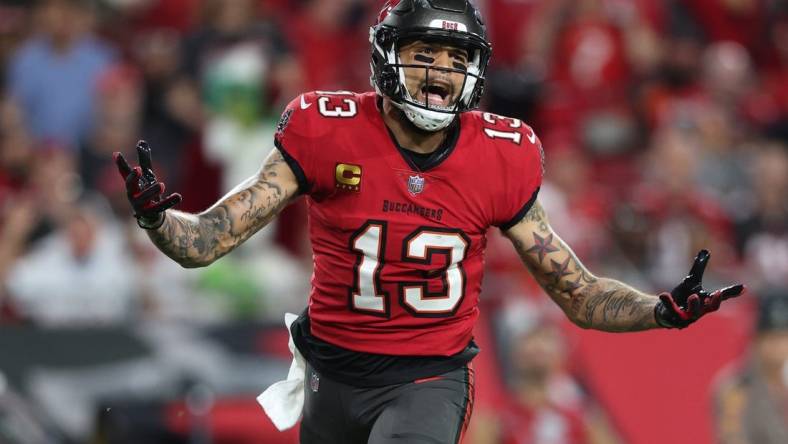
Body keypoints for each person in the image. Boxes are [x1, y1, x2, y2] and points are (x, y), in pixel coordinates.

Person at [113, 1, 744, 443]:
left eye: (455, 55)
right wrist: (157, 221)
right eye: (425, 52)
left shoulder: (501, 152)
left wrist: (659, 310)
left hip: (427, 377)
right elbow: (205, 243)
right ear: (388, 58)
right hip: (331, 374)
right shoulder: (325, 128)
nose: (441, 70)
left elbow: (576, 293)